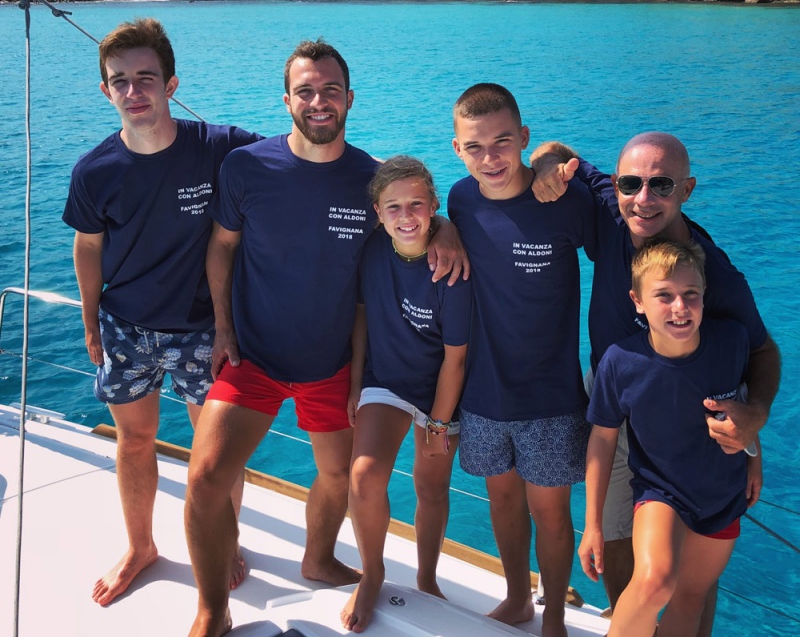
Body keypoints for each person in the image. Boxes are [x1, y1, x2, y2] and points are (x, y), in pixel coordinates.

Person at [184, 40, 466, 637]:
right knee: (206, 478)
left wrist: (445, 227)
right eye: (306, 91)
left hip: (331, 364)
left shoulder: (367, 179)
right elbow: (222, 247)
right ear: (287, 100)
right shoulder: (245, 167)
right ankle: (212, 609)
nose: (319, 102)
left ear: (349, 99)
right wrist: (223, 328)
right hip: (253, 355)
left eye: (330, 90)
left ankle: (317, 558)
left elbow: (409, 213)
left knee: (341, 477)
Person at [531, 132, 780, 633]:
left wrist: (754, 421)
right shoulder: (613, 208)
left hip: (687, 418)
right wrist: (544, 165)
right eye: (632, 183)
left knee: (693, 573)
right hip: (616, 399)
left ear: (687, 189)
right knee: (618, 541)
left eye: (662, 185)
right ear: (617, 184)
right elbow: (556, 150)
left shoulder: (716, 278)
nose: (643, 198)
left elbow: (761, 352)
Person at [62, 17, 258, 606]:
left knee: (216, 452)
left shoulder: (219, 148)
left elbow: (302, 158)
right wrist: (89, 320)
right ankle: (141, 546)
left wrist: (424, 210)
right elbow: (88, 247)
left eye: (146, 78)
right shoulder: (94, 171)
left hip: (205, 331)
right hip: (125, 329)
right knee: (134, 441)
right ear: (105, 90)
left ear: (171, 85)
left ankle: (224, 539)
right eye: (119, 80)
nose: (133, 91)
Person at [447, 83, 596, 637]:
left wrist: (556, 158)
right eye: (475, 146)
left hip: (551, 396)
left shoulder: (563, 200)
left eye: (503, 142)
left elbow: (620, 237)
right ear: (457, 149)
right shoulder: (459, 201)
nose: (490, 157)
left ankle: (554, 616)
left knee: (552, 514)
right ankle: (516, 599)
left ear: (524, 137)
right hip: (483, 392)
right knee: (503, 501)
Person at [579, 240, 762, 637]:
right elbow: (603, 441)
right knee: (654, 582)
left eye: (690, 294)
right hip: (660, 492)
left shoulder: (731, 341)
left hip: (723, 493)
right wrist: (592, 523)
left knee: (690, 599)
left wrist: (754, 459)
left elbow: (742, 401)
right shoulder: (620, 362)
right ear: (638, 301)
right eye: (664, 296)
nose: (680, 307)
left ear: (704, 295)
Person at [341, 156, 471, 633]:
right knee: (363, 477)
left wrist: (438, 422)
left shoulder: (451, 268)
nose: (405, 215)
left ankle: (427, 577)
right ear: (377, 213)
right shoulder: (372, 248)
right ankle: (372, 573)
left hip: (441, 388)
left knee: (431, 486)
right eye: (393, 206)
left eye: (417, 204)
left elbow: (456, 359)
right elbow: (361, 314)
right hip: (387, 380)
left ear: (434, 205)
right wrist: (356, 382)